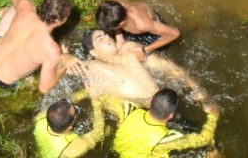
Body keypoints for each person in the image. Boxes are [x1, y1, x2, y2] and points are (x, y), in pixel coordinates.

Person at [110, 88, 219, 158]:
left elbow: (105, 98)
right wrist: (213, 117)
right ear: (171, 115)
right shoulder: (165, 139)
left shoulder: (129, 110)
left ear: (151, 100)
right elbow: (204, 139)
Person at [75, 28, 203, 106]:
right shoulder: (94, 67)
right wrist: (65, 57)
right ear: (93, 52)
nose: (107, 37)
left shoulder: (129, 49)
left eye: (105, 34)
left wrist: (194, 86)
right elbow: (67, 67)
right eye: (99, 39)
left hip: (166, 103)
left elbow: (168, 67)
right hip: (145, 114)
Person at [95, 0, 180, 54]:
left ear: (120, 24)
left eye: (113, 28)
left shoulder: (142, 24)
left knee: (157, 53)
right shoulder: (113, 4)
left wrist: (145, 50)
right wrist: (119, 35)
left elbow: (175, 33)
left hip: (153, 32)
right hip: (134, 25)